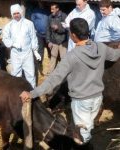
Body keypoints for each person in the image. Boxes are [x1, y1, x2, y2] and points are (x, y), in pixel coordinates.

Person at [20, 18, 120, 146]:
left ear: (73, 35)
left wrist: (32, 93)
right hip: (97, 98)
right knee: (87, 126)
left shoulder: (72, 56)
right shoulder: (101, 47)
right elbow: (115, 55)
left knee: (83, 136)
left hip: (82, 101)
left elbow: (53, 80)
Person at [2, 4, 41, 88]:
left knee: (30, 73)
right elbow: (5, 39)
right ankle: (17, 92)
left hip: (27, 53)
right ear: (12, 14)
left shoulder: (29, 23)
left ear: (21, 12)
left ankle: (32, 93)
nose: (16, 15)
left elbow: (33, 38)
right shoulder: (9, 26)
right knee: (16, 74)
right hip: (15, 53)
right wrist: (13, 44)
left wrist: (35, 51)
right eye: (14, 13)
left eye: (17, 13)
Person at [46, 3, 68, 74]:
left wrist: (58, 28)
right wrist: (48, 41)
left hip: (63, 41)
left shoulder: (64, 16)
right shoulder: (50, 17)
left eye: (53, 9)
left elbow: (66, 29)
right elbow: (48, 30)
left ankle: (63, 73)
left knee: (63, 58)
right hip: (54, 41)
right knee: (53, 57)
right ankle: (50, 74)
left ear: (57, 9)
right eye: (51, 9)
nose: (51, 11)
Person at [31, 1, 50, 76]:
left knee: (50, 50)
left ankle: (51, 68)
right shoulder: (35, 11)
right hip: (39, 34)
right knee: (40, 51)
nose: (41, 4)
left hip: (48, 34)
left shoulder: (47, 11)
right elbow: (32, 21)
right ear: (38, 3)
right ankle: (39, 67)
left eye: (42, 3)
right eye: (40, 3)